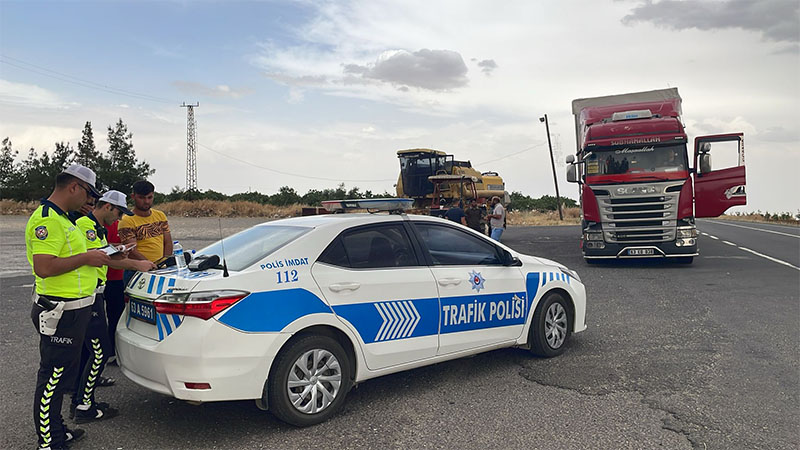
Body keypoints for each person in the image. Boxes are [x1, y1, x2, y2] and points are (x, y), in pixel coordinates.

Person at [26, 163, 111, 450]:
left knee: (63, 374)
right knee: (52, 378)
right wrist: (88, 259)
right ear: (74, 186)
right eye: (89, 194)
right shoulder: (48, 220)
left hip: (75, 309)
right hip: (60, 311)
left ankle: (56, 429)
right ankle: (49, 442)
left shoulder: (65, 219)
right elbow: (45, 267)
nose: (90, 201)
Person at [71, 191, 156, 424]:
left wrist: (116, 249)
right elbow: (101, 259)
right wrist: (138, 264)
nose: (118, 220)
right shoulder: (85, 225)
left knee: (91, 351)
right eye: (118, 213)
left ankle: (81, 400)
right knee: (100, 352)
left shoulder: (96, 228)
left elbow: (102, 252)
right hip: (86, 295)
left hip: (93, 292)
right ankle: (83, 405)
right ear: (107, 206)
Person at [118, 180, 172, 283]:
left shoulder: (160, 216)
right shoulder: (127, 220)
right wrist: (150, 265)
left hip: (160, 269)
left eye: (149, 197)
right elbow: (132, 250)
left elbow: (168, 241)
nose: (146, 201)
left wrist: (165, 262)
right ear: (133, 197)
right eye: (142, 198)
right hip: (137, 270)